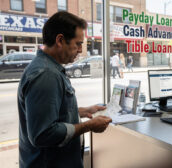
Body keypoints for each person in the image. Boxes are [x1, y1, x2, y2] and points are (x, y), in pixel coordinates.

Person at [17, 11, 112, 168]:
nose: (81, 50)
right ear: (60, 40)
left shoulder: (49, 69)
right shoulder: (45, 74)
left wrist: (83, 110)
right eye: (78, 43)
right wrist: (88, 126)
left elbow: (54, 111)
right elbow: (43, 134)